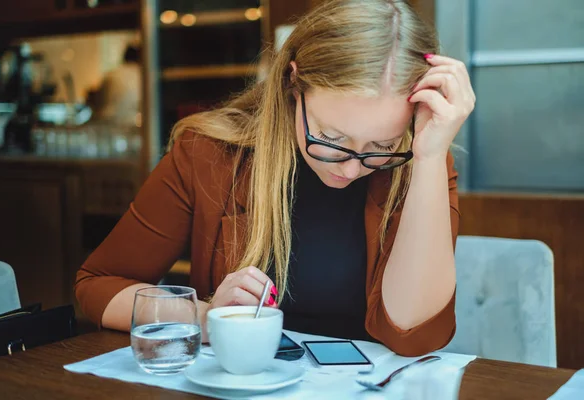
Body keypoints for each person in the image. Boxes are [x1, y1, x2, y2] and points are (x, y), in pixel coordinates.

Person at [75, 0, 475, 357]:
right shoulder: (208, 154)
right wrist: (205, 315)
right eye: (331, 138)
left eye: (381, 146)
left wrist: (429, 157)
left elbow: (414, 336)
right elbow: (96, 287)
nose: (350, 168)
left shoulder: (420, 162)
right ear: (291, 82)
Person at [87, 44, 141, 126]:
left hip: (107, 125)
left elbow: (96, 102)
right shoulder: (141, 77)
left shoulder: (111, 75)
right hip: (131, 126)